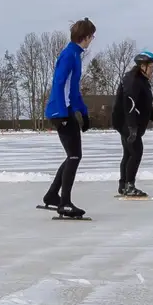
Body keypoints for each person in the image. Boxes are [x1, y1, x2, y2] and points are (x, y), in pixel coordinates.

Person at [40, 18, 96, 217]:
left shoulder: (75, 55)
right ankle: (64, 202)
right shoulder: (69, 55)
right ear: (85, 37)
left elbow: (73, 90)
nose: (92, 40)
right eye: (92, 36)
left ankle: (52, 195)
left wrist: (84, 113)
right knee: (74, 155)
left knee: (73, 155)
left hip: (66, 110)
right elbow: (59, 83)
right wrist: (62, 112)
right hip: (60, 112)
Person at [112, 50, 153, 198]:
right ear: (143, 66)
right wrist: (132, 127)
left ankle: (123, 185)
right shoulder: (133, 81)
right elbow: (130, 104)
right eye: (151, 67)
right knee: (136, 152)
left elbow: (144, 105)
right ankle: (129, 186)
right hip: (126, 123)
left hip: (128, 123)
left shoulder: (141, 81)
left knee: (128, 153)